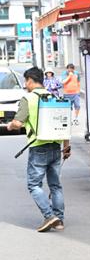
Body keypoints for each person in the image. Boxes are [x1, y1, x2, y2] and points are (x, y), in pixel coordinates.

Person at [7, 67, 71, 232]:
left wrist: (9, 125)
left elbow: (18, 123)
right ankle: (60, 220)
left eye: (25, 81)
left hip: (38, 147)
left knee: (34, 185)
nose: (25, 85)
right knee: (55, 185)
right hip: (56, 147)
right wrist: (66, 147)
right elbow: (64, 125)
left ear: (29, 80)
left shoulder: (28, 99)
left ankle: (49, 216)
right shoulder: (54, 96)